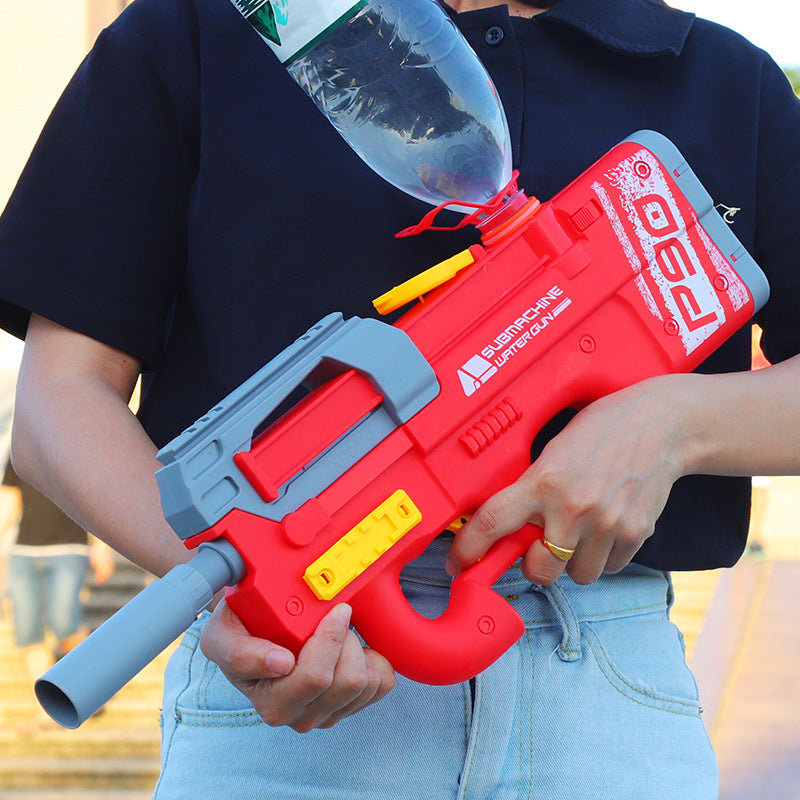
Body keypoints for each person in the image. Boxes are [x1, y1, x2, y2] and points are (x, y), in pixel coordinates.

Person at [0, 0, 798, 795]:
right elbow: (58, 398)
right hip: (291, 693)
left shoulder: (722, 78)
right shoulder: (211, 29)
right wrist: (265, 591)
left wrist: (668, 426)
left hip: (601, 681)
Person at [2, 461, 115, 732]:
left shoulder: (70, 445)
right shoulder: (22, 445)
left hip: (69, 549)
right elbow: (9, 499)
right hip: (23, 552)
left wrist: (102, 546)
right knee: (27, 631)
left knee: (64, 620)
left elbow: (91, 499)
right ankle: (44, 710)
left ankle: (90, 688)